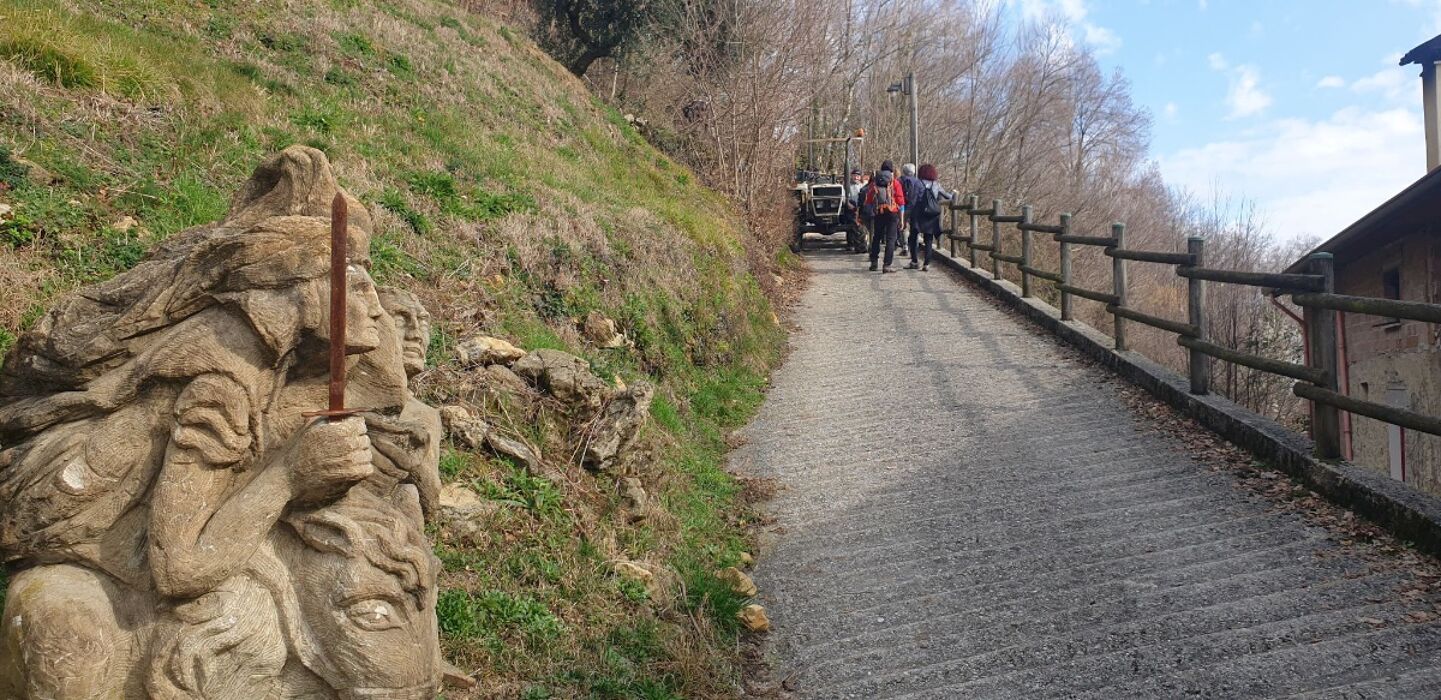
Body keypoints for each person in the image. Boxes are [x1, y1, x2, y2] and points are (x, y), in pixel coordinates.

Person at [864, 161, 906, 272]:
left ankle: (874, 262)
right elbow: (901, 202)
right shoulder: (895, 183)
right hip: (892, 212)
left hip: (879, 212)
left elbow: (868, 200)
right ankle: (887, 265)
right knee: (891, 239)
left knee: (876, 237)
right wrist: (901, 219)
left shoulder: (875, 183)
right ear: (892, 171)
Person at [912, 163, 955, 271]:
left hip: (919, 214)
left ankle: (914, 261)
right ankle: (926, 263)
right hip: (932, 215)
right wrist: (954, 194)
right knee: (929, 239)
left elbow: (913, 198)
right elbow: (948, 196)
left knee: (913, 237)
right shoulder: (936, 185)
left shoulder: (918, 183)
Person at [899, 163, 924, 266]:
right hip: (916, 211)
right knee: (915, 233)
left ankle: (905, 246)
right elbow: (922, 195)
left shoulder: (900, 181)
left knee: (902, 228)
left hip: (903, 209)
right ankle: (914, 259)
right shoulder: (919, 182)